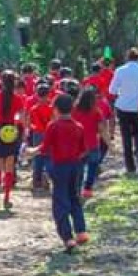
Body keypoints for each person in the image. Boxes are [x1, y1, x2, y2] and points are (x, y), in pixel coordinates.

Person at [25, 94, 89, 252]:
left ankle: (68, 238)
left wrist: (31, 151)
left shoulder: (53, 126)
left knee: (60, 202)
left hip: (59, 167)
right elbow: (84, 150)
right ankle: (81, 231)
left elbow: (44, 148)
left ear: (56, 109)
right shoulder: (79, 126)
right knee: (74, 197)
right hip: (76, 166)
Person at [0, 71, 26, 210]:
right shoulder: (18, 99)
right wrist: (23, 133)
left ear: (1, 81)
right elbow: (21, 117)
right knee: (9, 166)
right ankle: (7, 198)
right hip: (12, 131)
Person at [108, 47, 138, 174]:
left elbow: (112, 90)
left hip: (123, 107)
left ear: (127, 58)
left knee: (126, 137)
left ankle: (130, 166)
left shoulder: (120, 71)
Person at [70, 88, 110, 198]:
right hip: (93, 144)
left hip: (78, 145)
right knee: (92, 168)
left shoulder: (73, 110)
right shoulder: (96, 111)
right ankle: (87, 189)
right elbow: (102, 130)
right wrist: (109, 144)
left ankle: (76, 190)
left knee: (79, 169)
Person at [26, 82, 54, 195]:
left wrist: (34, 127)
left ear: (37, 95)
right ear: (48, 94)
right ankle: (48, 177)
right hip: (50, 134)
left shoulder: (33, 109)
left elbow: (29, 123)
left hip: (37, 134)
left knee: (37, 157)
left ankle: (37, 181)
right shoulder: (52, 108)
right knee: (49, 156)